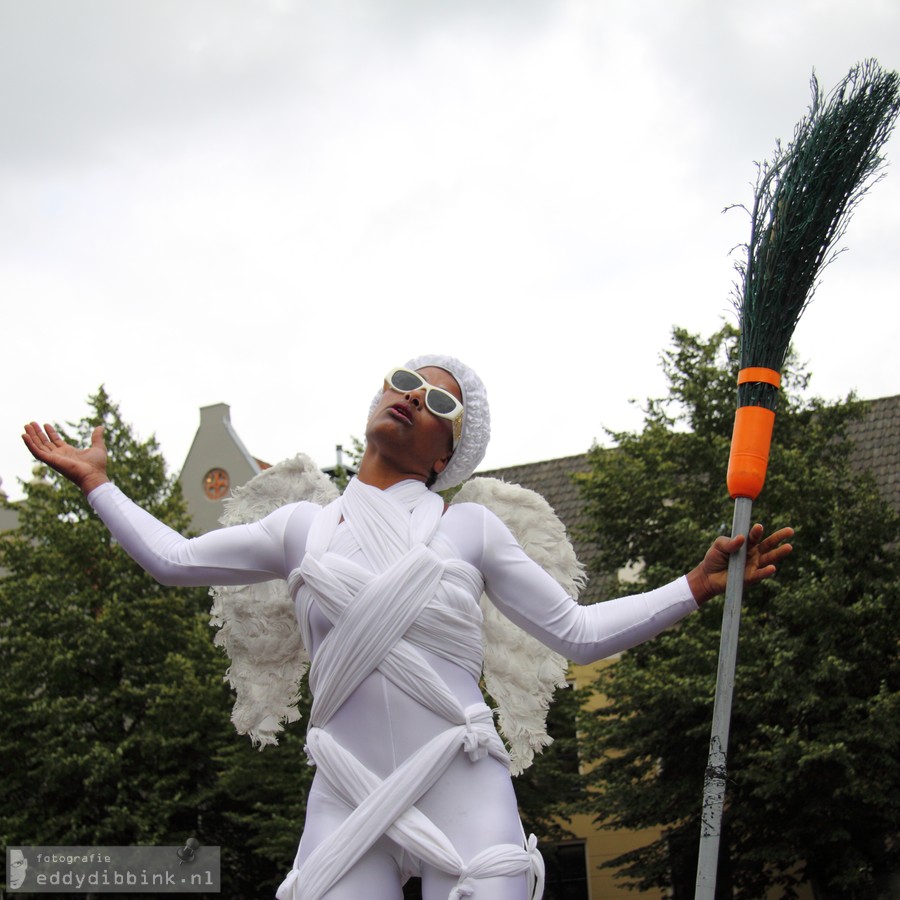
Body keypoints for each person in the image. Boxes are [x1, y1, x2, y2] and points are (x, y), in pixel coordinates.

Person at [22, 354, 792, 900]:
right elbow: (175, 559)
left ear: (449, 453)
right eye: (404, 382)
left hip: (463, 783)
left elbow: (579, 633)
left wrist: (692, 587)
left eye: (439, 402)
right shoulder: (299, 528)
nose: (413, 397)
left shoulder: (474, 533)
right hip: (344, 795)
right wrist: (99, 484)